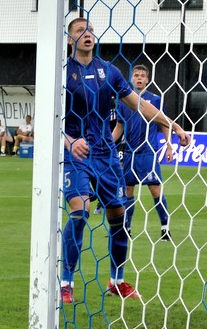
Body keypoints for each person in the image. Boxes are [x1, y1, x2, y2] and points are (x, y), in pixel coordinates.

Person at [60, 17, 192, 304]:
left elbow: (142, 105)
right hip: (76, 154)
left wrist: (176, 126)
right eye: (80, 31)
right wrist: (70, 142)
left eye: (90, 30)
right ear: (70, 39)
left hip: (106, 155)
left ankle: (116, 281)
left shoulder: (109, 72)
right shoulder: (61, 74)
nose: (87, 34)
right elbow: (51, 118)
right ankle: (66, 282)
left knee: (118, 219)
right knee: (80, 211)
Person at [114, 64, 174, 242]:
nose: (139, 78)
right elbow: (119, 126)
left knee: (155, 189)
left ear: (147, 79)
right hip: (130, 152)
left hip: (149, 152)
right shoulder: (123, 100)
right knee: (128, 190)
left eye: (142, 76)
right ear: (131, 79)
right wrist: (108, 144)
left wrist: (169, 146)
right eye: (136, 75)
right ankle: (127, 228)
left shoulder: (155, 99)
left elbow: (164, 123)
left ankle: (165, 229)